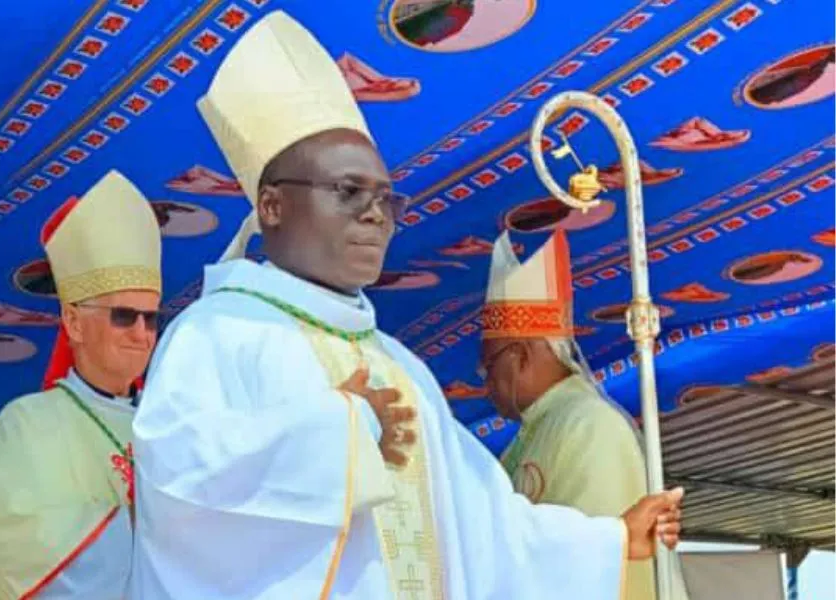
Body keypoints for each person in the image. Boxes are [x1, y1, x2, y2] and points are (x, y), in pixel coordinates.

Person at [130, 11, 684, 599]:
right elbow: (181, 489)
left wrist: (608, 540)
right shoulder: (217, 333)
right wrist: (335, 433)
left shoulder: (402, 368)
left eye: (384, 199)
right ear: (271, 206)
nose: (374, 214)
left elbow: (483, 523)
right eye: (347, 192)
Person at [0, 171, 162, 600]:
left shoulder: (168, 421)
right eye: (124, 315)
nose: (141, 333)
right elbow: (36, 554)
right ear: (73, 322)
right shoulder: (28, 425)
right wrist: (171, 527)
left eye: (151, 318)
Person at [481, 229, 691, 600]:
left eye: (489, 366)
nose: (486, 382)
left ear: (521, 356)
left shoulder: (589, 425)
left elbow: (596, 563)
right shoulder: (532, 433)